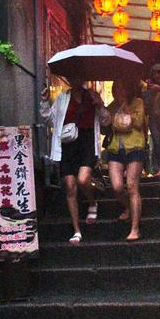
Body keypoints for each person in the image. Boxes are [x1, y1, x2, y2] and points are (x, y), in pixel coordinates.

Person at [40, 76, 110, 243]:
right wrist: (44, 102)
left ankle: (92, 202)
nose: (75, 80)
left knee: (83, 179)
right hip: (68, 145)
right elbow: (49, 119)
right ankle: (76, 230)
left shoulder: (92, 96)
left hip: (86, 143)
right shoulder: (63, 98)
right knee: (70, 186)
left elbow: (106, 121)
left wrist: (100, 105)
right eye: (72, 76)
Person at [103, 77, 145, 240]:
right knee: (117, 186)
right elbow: (105, 123)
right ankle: (128, 207)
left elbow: (139, 123)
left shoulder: (138, 102)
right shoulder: (113, 105)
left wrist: (125, 106)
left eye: (122, 88)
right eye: (116, 89)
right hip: (115, 148)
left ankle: (135, 229)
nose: (119, 92)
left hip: (134, 146)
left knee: (132, 186)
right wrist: (100, 106)